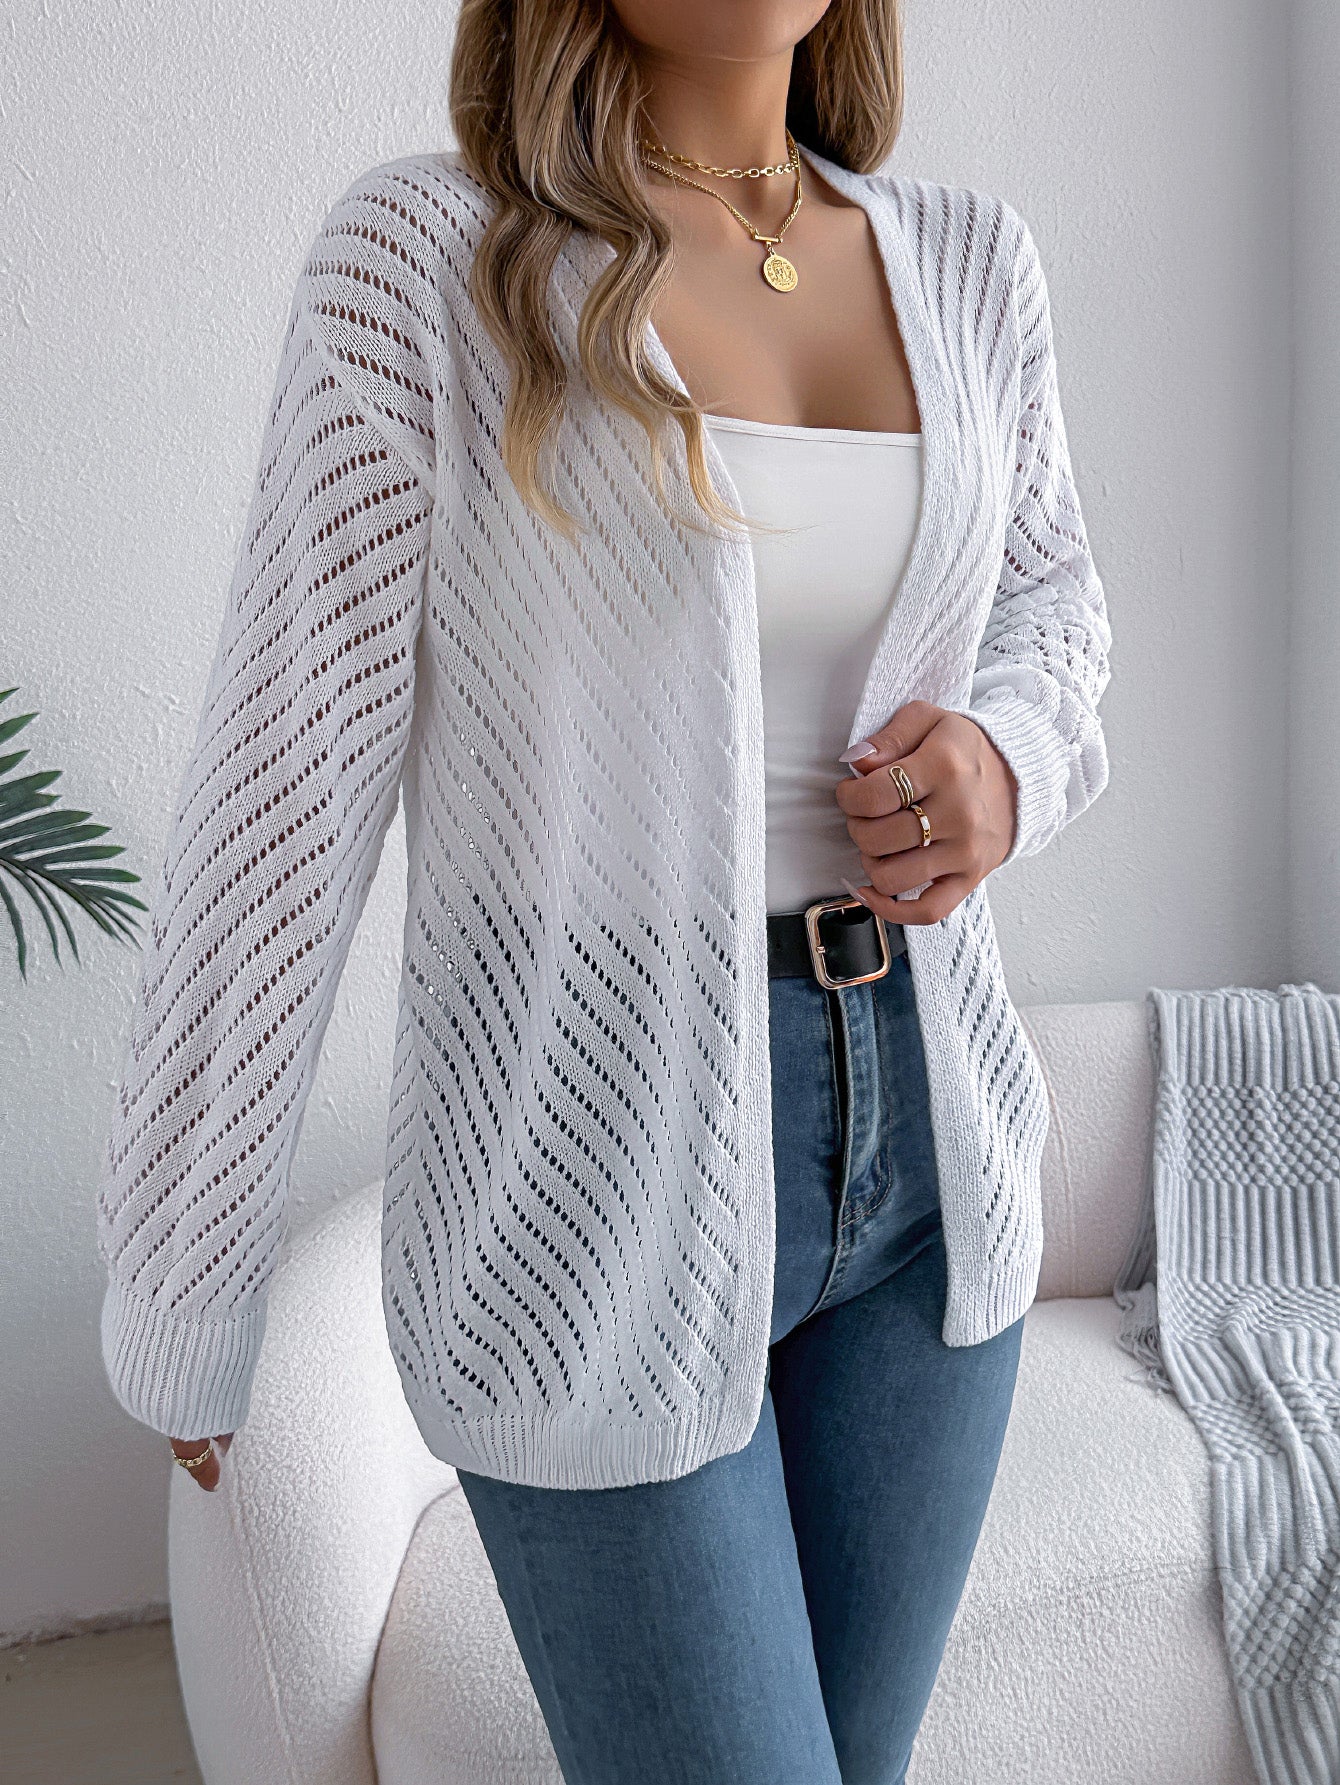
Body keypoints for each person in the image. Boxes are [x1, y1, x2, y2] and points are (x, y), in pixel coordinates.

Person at [96, 1, 1112, 1779]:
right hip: (585, 1176)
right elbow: (283, 785)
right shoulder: (431, 260)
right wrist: (185, 1267)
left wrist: (1006, 761)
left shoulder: (970, 260)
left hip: (933, 1164)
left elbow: (1054, 606)